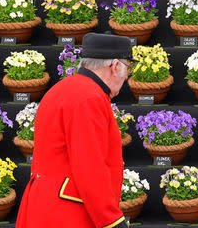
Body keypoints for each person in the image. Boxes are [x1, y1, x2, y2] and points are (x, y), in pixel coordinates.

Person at [16, 33, 135, 228]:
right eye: (127, 68)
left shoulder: (63, 88)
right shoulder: (90, 97)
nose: (126, 78)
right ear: (115, 66)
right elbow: (89, 167)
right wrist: (111, 221)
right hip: (69, 213)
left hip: (46, 207)